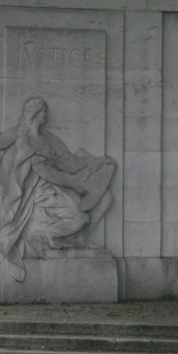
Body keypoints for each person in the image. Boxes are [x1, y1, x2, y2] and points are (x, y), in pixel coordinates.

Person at [0, 98, 115, 281]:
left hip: (60, 184)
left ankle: (76, 239)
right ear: (36, 115)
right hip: (45, 192)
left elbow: (69, 161)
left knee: (106, 198)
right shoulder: (25, 142)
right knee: (80, 218)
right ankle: (42, 237)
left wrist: (96, 163)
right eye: (43, 112)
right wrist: (74, 183)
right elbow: (47, 173)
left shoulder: (48, 138)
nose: (45, 115)